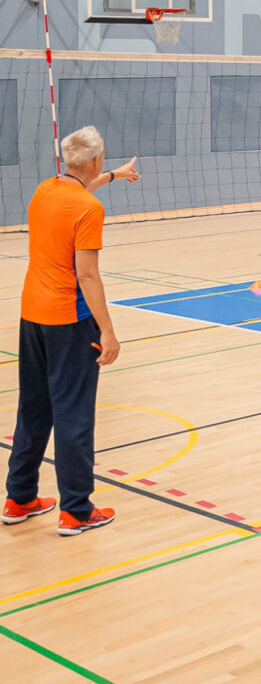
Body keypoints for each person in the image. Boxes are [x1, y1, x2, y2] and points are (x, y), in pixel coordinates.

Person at [4, 127, 139, 535]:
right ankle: (77, 511)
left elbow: (81, 189)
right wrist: (108, 331)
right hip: (70, 321)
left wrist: (114, 175)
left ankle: (19, 498)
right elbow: (87, 275)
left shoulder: (45, 190)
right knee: (74, 413)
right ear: (95, 160)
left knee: (34, 407)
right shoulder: (88, 210)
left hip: (32, 316)